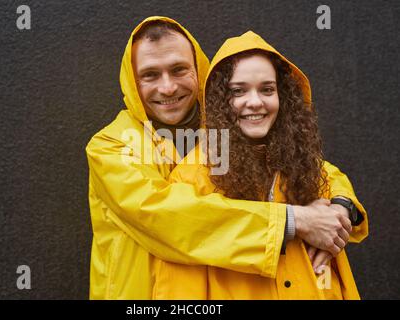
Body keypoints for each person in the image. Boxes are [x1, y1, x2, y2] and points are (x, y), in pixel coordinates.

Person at [86, 16, 365, 299]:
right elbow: (165, 217)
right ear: (132, 81)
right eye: (150, 75)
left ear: (199, 70)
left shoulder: (226, 130)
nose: (168, 87)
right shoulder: (112, 146)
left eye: (179, 69)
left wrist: (341, 205)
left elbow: (310, 166)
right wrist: (296, 221)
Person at [157, 30, 369, 299]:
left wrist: (343, 205)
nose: (255, 102)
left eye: (267, 89)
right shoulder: (191, 179)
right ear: (219, 100)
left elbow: (331, 175)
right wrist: (299, 222)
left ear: (284, 96)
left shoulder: (299, 161)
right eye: (238, 91)